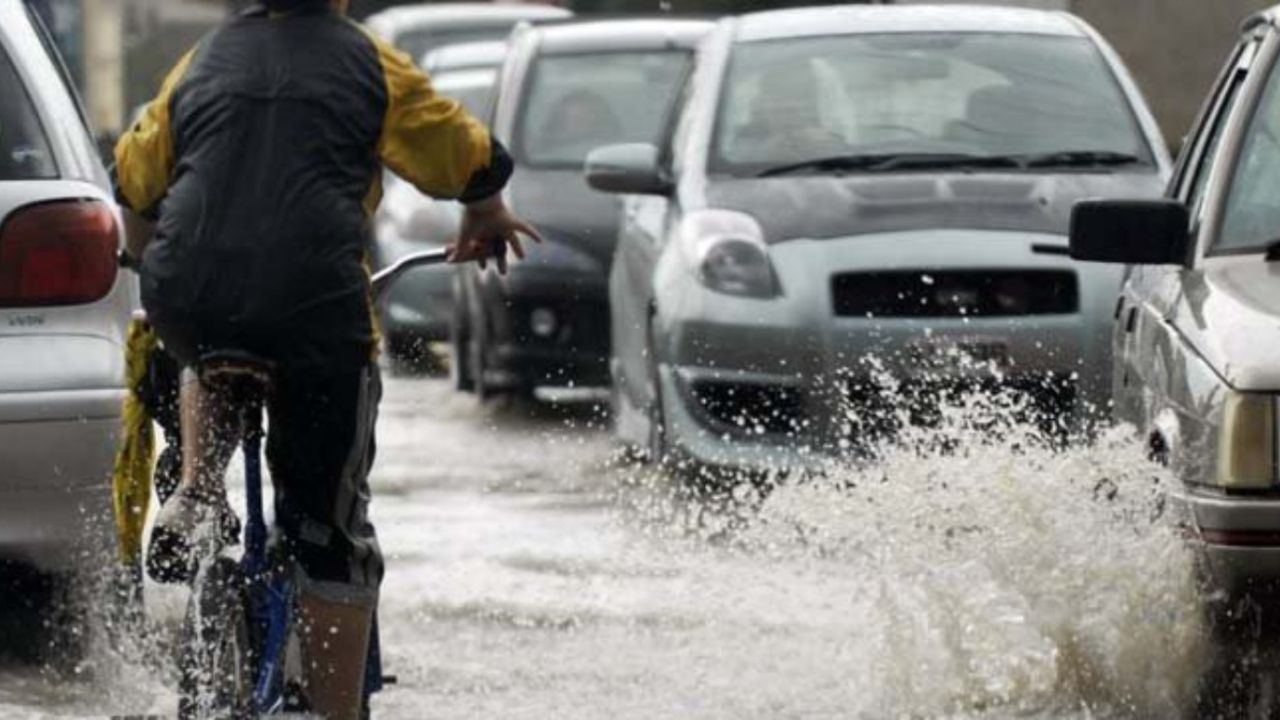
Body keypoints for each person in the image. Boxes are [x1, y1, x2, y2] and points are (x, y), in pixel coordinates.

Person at [112, 0, 540, 717]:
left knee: (199, 338)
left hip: (189, 291)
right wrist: (487, 209)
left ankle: (195, 488)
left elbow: (133, 174)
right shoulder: (363, 57)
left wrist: (149, 260)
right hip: (312, 305)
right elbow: (456, 148)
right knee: (328, 534)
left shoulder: (203, 60)